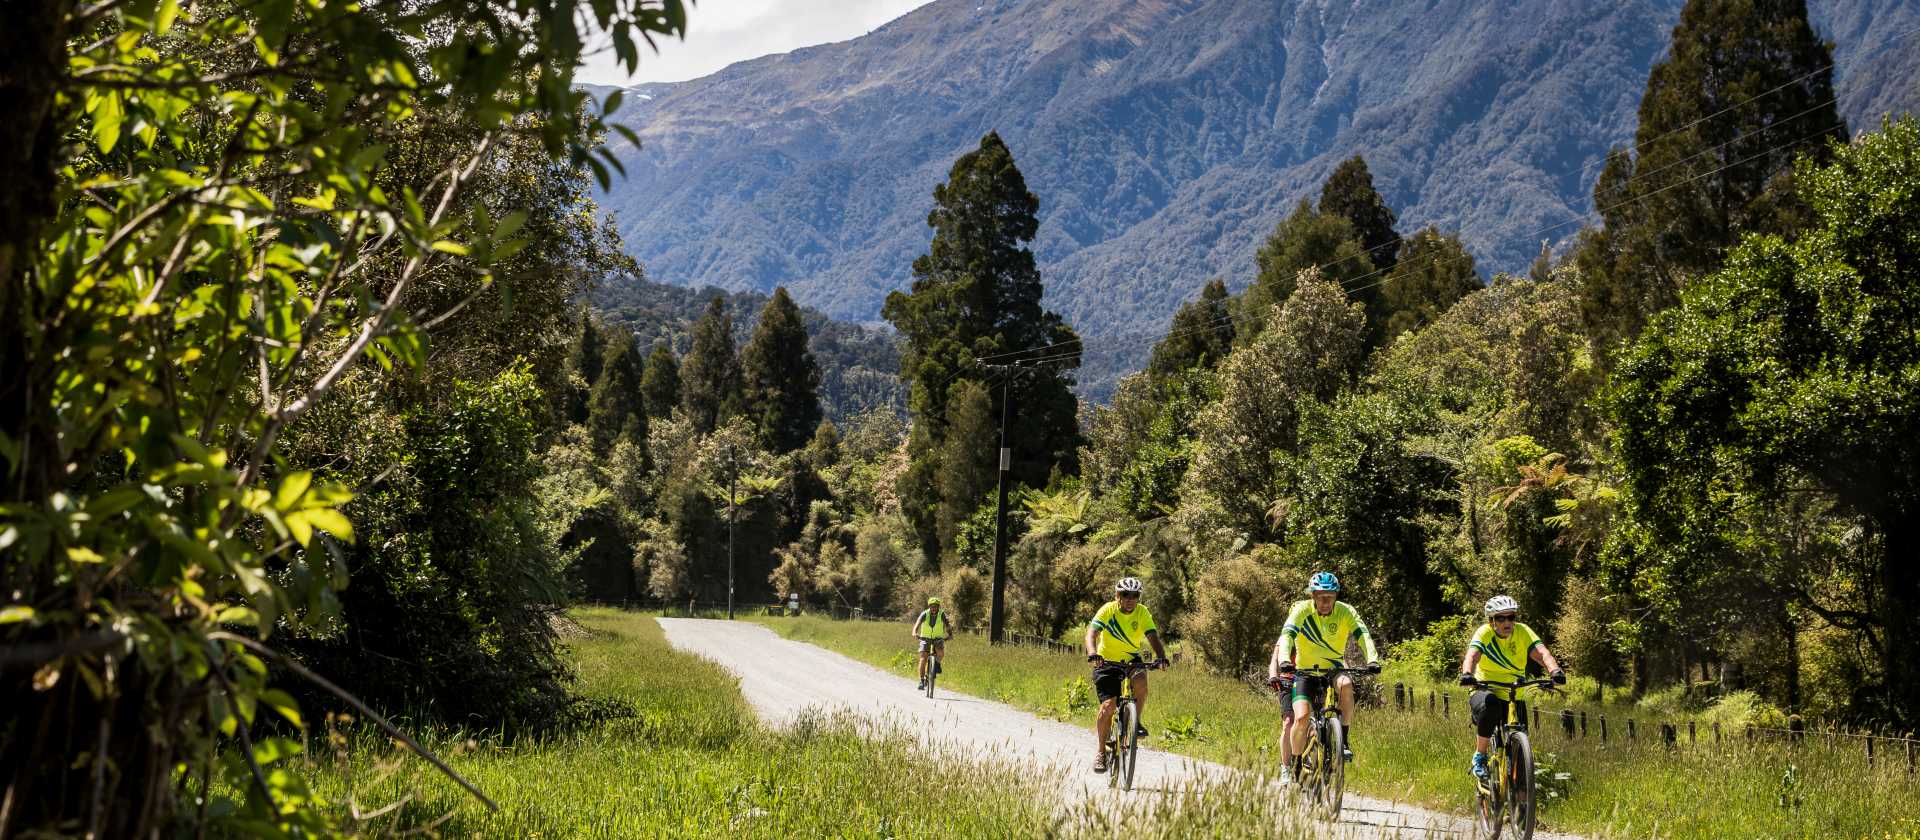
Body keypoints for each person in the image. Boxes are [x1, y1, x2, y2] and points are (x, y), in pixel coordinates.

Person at [1272, 571, 1381, 780]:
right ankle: (1294, 762)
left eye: (1330, 597)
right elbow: (1287, 636)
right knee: (1302, 717)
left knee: (1346, 684)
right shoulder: (1301, 610)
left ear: (1336, 596)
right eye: (1321, 596)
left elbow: (1363, 635)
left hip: (1333, 669)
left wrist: (1372, 659)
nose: (1325, 601)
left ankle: (1344, 740)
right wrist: (1285, 660)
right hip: (1305, 672)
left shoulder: (1345, 611)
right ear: (1312, 596)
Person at [1457, 595, 1566, 780]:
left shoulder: (1522, 632)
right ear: (1491, 621)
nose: (1507, 622)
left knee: (1522, 755)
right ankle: (1480, 757)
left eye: (1511, 617)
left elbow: (1542, 653)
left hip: (1515, 692)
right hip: (1485, 688)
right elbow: (1472, 656)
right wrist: (1468, 673)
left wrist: (1555, 670)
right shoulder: (1484, 633)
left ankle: (1522, 801)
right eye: (1501, 618)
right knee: (1490, 706)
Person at [1085, 576, 1171, 773]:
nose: (1130, 598)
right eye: (1126, 595)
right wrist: (1092, 653)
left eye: (1135, 595)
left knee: (1141, 681)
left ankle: (1136, 721)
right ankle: (1100, 751)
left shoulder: (1142, 612)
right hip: (1106, 660)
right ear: (1118, 595)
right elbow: (1091, 633)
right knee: (1108, 708)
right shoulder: (1108, 610)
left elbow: (1152, 636)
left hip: (1131, 658)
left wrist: (1161, 657)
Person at [911, 596, 951, 690]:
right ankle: (921, 680)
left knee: (940, 654)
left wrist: (950, 635)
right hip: (925, 638)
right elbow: (917, 624)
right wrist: (914, 632)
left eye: (936, 606)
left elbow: (947, 625)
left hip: (937, 638)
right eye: (932, 606)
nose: (934, 608)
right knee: (923, 658)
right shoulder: (924, 614)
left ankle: (936, 664)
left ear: (938, 607)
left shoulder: (942, 614)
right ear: (929, 606)